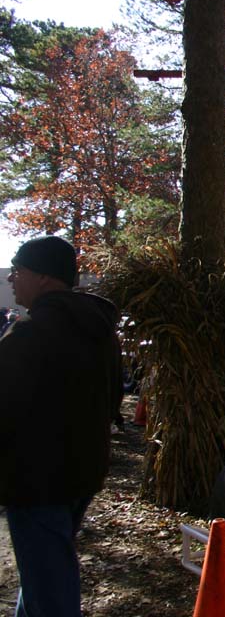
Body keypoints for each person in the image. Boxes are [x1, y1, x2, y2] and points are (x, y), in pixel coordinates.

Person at [0, 235, 122, 617]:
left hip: (35, 478)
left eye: (17, 270)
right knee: (43, 572)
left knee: (49, 585)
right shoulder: (101, 330)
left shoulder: (31, 332)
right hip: (82, 472)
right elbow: (113, 398)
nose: (11, 279)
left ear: (43, 276)